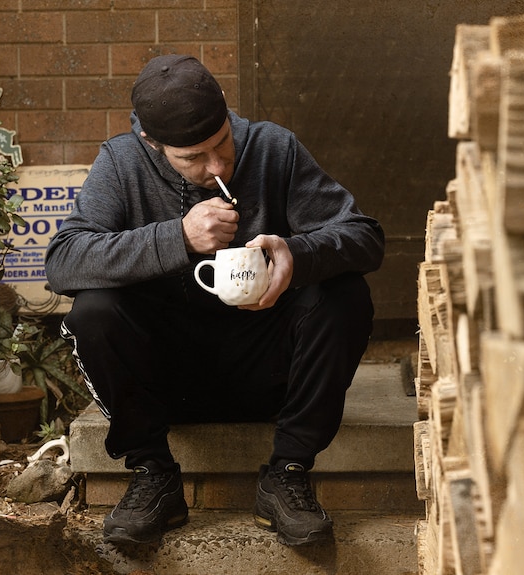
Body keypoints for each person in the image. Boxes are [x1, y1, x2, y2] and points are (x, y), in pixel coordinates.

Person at [44, 54, 385, 547]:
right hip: (166, 380)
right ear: (152, 142)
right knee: (94, 310)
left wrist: (298, 253)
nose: (217, 165)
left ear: (227, 110)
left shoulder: (272, 147)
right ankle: (154, 475)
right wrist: (176, 238)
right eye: (193, 158)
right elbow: (63, 262)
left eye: (222, 143)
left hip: (269, 370)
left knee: (345, 293)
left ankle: (287, 472)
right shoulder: (122, 163)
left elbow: (365, 237)